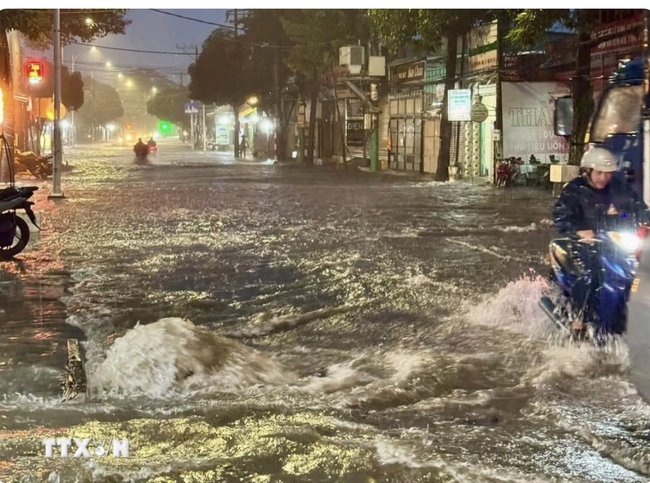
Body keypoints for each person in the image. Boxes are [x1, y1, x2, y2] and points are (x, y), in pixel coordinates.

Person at [552, 147, 650, 334]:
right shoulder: (574, 190)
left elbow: (637, 208)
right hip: (584, 245)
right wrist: (578, 231)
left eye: (608, 174)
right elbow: (560, 215)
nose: (604, 178)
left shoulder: (618, 187)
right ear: (588, 170)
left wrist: (641, 218)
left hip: (615, 243)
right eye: (599, 173)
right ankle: (579, 319)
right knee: (589, 275)